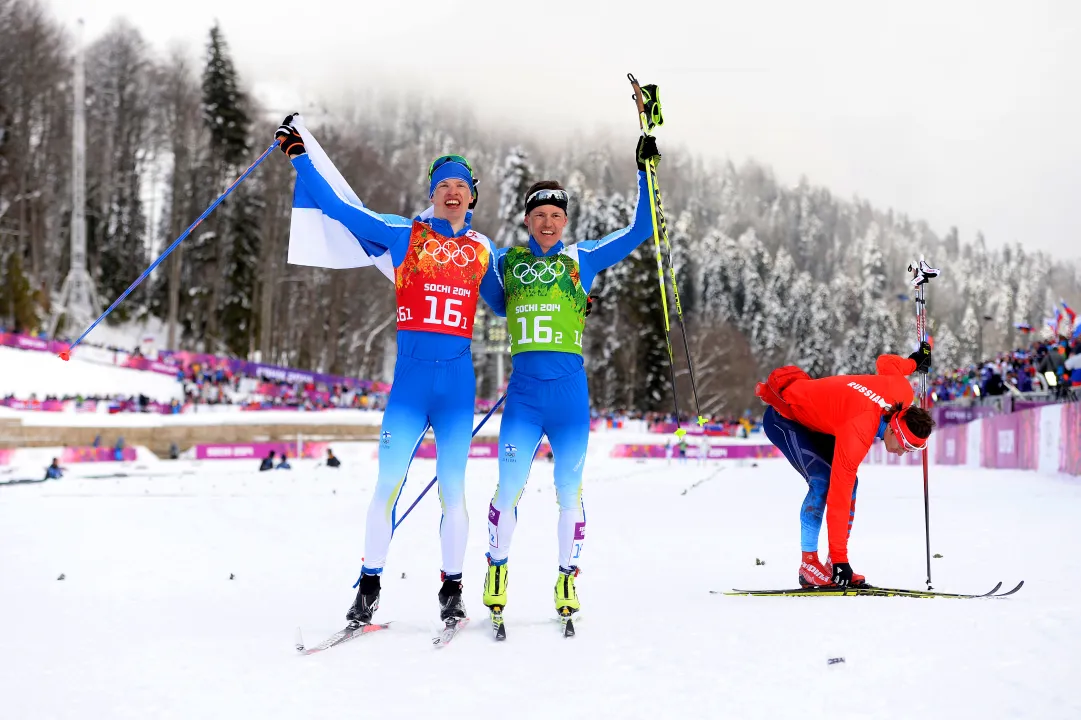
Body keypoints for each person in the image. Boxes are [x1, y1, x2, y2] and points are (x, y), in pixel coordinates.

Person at [275, 118, 504, 627]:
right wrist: (299, 159)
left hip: (456, 390)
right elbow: (341, 211)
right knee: (386, 486)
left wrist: (571, 304)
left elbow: (510, 304)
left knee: (453, 490)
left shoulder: (483, 250)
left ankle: (451, 589)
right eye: (443, 185)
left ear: (472, 198)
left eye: (460, 186)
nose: (451, 192)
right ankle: (370, 585)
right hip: (409, 388)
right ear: (432, 193)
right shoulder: (404, 235)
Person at [480, 135, 661, 624]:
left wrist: (645, 170)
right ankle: (496, 568)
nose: (547, 221)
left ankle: (566, 576)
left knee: (569, 491)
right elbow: (492, 299)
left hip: (568, 399)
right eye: (539, 214)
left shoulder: (582, 258)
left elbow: (643, 228)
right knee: (508, 487)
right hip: (523, 396)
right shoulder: (505, 262)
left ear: (566, 220)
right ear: (526, 219)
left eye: (556, 214)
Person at [757, 344, 936, 588]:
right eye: (906, 446)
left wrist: (914, 362)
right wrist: (843, 559)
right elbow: (839, 496)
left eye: (914, 450)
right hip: (785, 417)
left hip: (824, 422)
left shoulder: (903, 393)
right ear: (894, 429)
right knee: (823, 482)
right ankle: (809, 564)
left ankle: (831, 566)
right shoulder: (860, 430)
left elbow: (886, 363)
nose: (904, 453)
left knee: (849, 482)